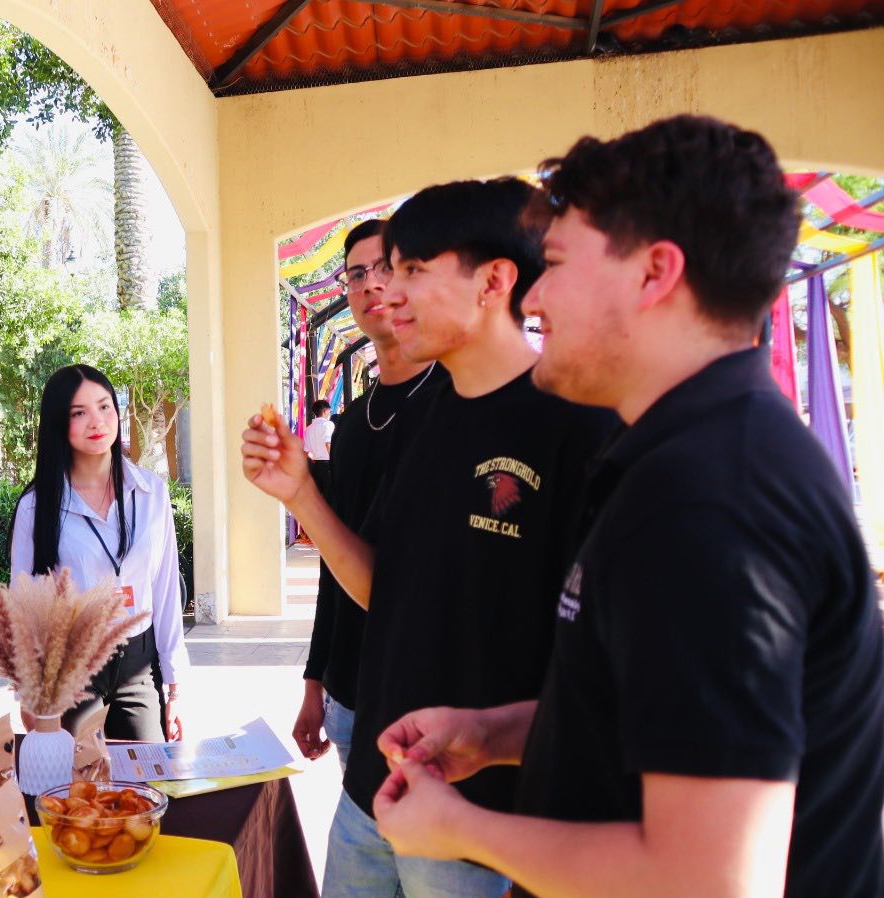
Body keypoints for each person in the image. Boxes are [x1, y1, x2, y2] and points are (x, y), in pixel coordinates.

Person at [372, 116, 884, 898]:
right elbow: (654, 710)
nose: (534, 296)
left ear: (655, 275)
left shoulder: (713, 501)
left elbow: (709, 880)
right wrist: (496, 733)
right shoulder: (688, 457)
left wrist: (460, 829)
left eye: (555, 264)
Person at [242, 179, 616, 898]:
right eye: (381, 272)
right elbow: (384, 589)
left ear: (494, 282)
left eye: (412, 270)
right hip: (370, 796)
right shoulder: (421, 417)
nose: (385, 291)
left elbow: (607, 677)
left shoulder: (579, 427)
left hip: (484, 823)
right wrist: (300, 495)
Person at [297, 219, 448, 771]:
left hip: (429, 708)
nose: (371, 285)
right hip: (348, 695)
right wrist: (315, 679)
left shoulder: (455, 405)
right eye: (357, 274)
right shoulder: (354, 425)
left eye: (387, 267)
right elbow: (333, 563)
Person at [10, 364, 190, 742]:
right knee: (77, 790)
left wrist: (176, 687)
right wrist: (30, 694)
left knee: (148, 784)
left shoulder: (151, 493)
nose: (97, 421)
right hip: (72, 667)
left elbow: (166, 591)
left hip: (138, 664)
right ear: (60, 422)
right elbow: (24, 606)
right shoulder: (37, 506)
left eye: (105, 406)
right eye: (79, 412)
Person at [304, 398, 336, 505]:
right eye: (329, 411)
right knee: (330, 499)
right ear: (325, 411)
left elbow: (306, 451)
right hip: (328, 465)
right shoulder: (328, 424)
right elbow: (328, 443)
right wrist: (333, 461)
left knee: (316, 500)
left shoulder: (309, 429)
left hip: (316, 466)